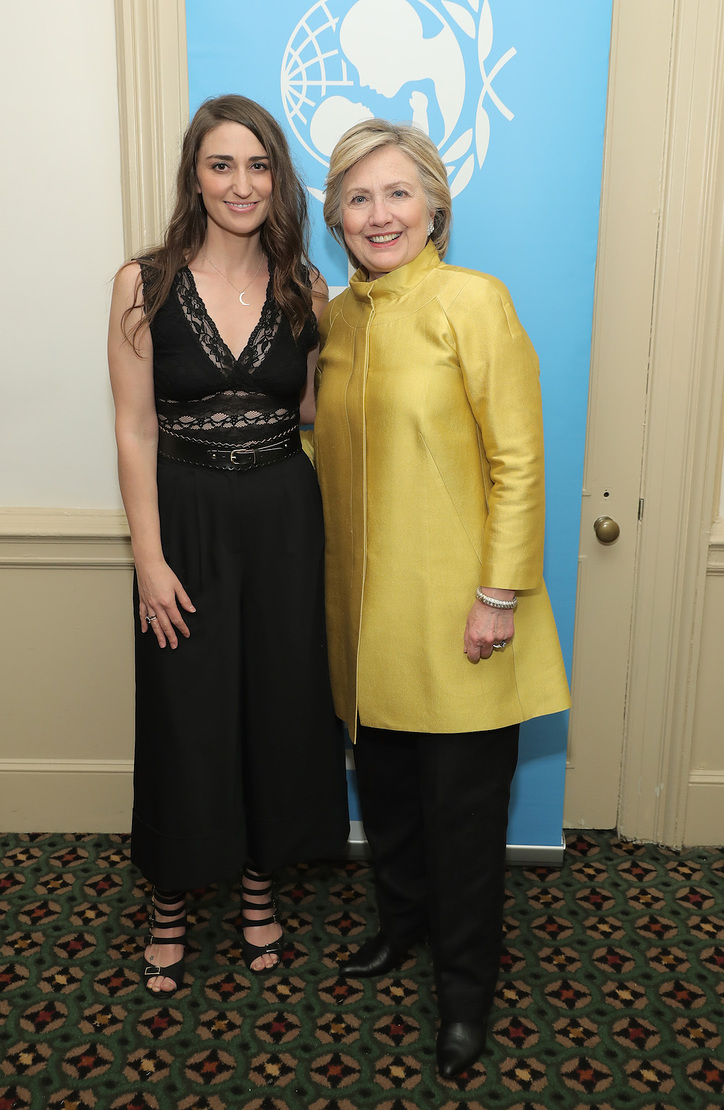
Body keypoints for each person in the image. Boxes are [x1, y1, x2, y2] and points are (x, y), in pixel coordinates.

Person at [314, 119, 570, 1078]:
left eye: (396, 194)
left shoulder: (474, 301)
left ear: (434, 208)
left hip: (465, 616)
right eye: (357, 197)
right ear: (335, 217)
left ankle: (466, 997)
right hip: (367, 624)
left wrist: (498, 593)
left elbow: (519, 458)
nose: (378, 214)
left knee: (463, 823)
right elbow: (332, 451)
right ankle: (402, 926)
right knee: (388, 800)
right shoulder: (340, 318)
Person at [107, 95, 349, 996]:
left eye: (257, 167)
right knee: (186, 705)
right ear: (195, 176)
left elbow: (314, 410)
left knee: (281, 705)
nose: (240, 184)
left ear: (277, 179)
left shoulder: (307, 288)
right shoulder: (144, 284)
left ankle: (257, 880)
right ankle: (172, 893)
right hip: (187, 514)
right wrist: (150, 557)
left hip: (287, 514)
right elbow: (134, 430)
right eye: (221, 165)